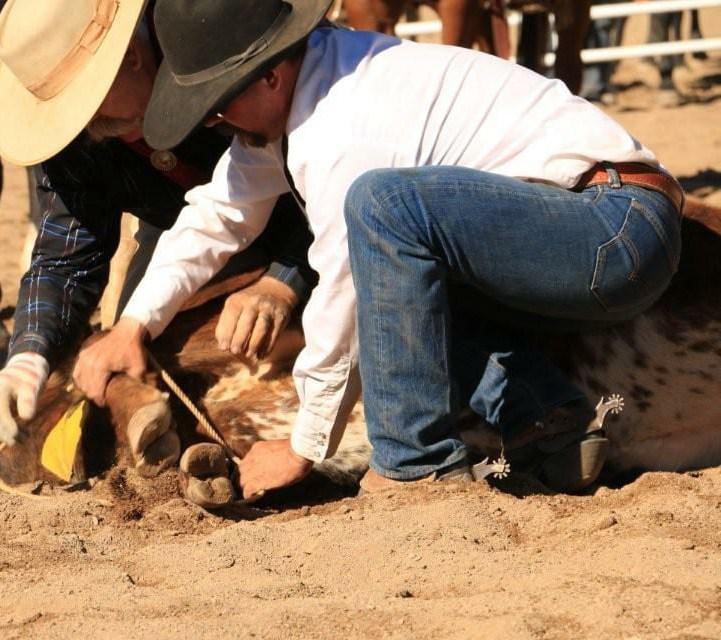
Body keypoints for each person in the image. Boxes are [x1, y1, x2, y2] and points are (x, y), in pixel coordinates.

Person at [73, 0, 684, 498]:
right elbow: (219, 211)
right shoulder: (309, 89)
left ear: (268, 73)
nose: (214, 123)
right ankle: (546, 419)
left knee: (382, 208)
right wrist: (133, 324)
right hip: (595, 225)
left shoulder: (341, 125)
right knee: (409, 269)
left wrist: (302, 445)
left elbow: (343, 290)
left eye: (218, 103)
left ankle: (414, 465)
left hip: (610, 229)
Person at [0, 0, 316, 452]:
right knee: (127, 359)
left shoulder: (220, 32)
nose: (88, 127)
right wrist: (29, 349)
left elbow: (336, 178)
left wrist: (284, 279)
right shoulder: (83, 138)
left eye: (88, 103)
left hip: (311, 221)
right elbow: (67, 251)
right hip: (185, 245)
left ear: (132, 58)